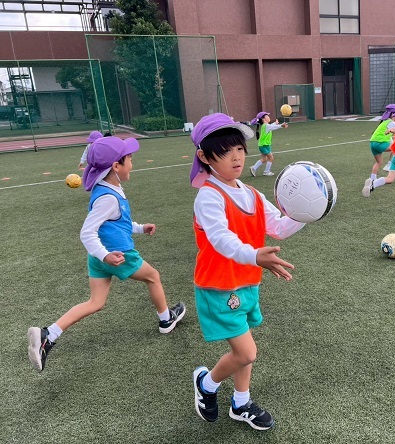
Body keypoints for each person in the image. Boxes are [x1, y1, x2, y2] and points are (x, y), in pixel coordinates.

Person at [27, 136, 185, 372]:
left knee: (96, 302)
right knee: (153, 276)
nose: (132, 163)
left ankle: (48, 335)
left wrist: (140, 228)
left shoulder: (107, 189)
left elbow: (116, 222)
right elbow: (87, 232)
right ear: (116, 166)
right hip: (117, 255)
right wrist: (106, 255)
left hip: (99, 257)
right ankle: (166, 320)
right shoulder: (109, 198)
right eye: (129, 159)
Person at [189, 113, 305, 431]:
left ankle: (240, 403)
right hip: (219, 286)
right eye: (225, 151)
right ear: (204, 157)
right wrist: (255, 255)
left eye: (239, 148)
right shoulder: (208, 196)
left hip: (247, 283)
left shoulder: (252, 193)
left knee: (244, 351)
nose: (236, 156)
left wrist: (306, 213)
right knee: (246, 352)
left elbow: (278, 227)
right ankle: (206, 384)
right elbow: (221, 239)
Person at [366, 104, 395, 181]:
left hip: (372, 144)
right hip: (380, 143)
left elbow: (390, 137)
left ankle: (372, 179)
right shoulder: (391, 123)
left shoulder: (384, 122)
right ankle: (389, 164)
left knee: (379, 162)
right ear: (393, 114)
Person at [249, 111, 288, 177]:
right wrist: (281, 125)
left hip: (262, 145)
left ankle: (254, 168)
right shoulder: (266, 126)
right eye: (267, 116)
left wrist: (275, 123)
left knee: (264, 159)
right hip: (264, 145)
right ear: (263, 119)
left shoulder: (265, 126)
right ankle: (266, 171)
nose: (269, 117)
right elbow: (273, 127)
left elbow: (271, 126)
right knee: (271, 158)